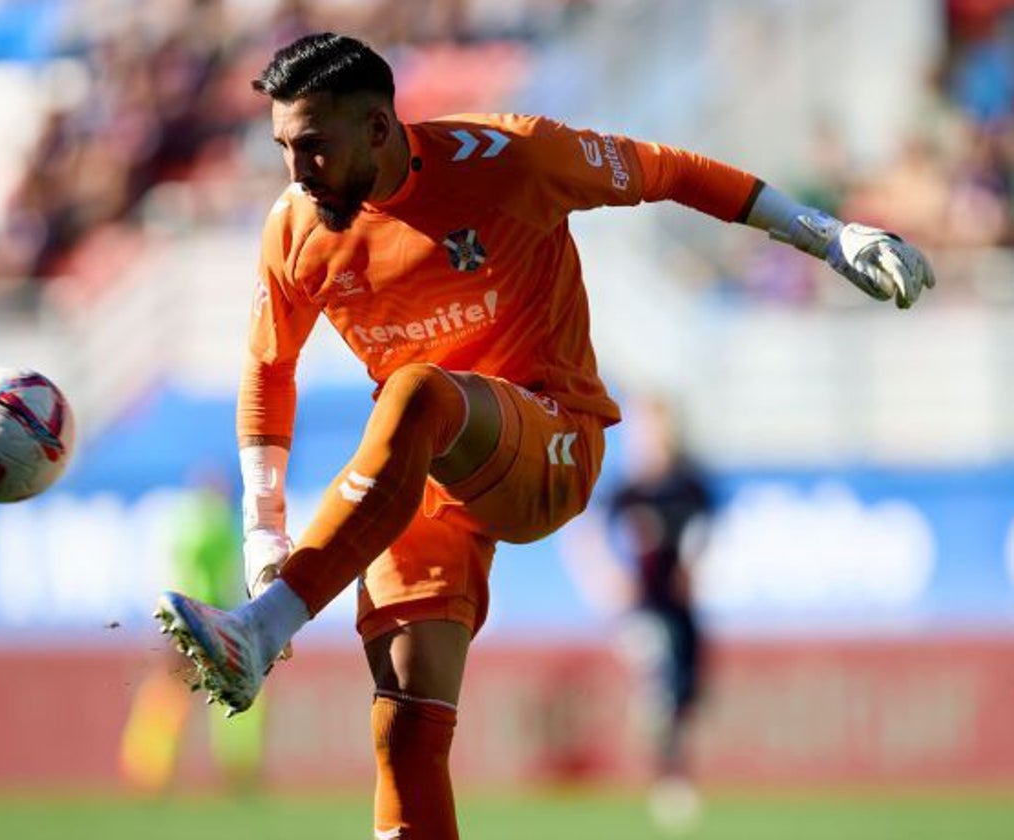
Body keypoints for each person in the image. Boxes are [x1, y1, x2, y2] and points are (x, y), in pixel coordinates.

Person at [154, 32, 935, 839]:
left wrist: (826, 235)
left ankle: (263, 627)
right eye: (284, 146)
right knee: (404, 731)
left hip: (549, 440)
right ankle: (267, 623)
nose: (295, 171)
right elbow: (268, 369)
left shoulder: (513, 160)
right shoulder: (296, 229)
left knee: (418, 391)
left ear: (381, 129)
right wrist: (260, 529)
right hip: (420, 473)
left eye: (314, 146)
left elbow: (669, 170)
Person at [604, 396, 713, 832]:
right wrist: (607, 577)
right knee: (660, 675)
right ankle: (667, 778)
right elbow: (591, 533)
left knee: (685, 692)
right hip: (643, 609)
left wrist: (697, 567)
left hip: (681, 607)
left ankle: (672, 767)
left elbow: (708, 532)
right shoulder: (629, 491)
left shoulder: (690, 486)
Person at [121, 471, 266, 792]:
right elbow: (223, 580)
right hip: (207, 618)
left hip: (175, 619)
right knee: (237, 690)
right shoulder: (218, 526)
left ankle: (147, 767)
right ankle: (239, 766)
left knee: (168, 691)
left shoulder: (180, 523)